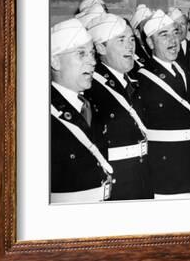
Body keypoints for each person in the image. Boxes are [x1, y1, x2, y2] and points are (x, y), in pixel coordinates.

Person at [136, 10, 190, 199]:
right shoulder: (144, 80)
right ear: (150, 43)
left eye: (175, 32)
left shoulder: (185, 70)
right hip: (168, 176)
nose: (173, 39)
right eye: (164, 34)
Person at [87, 13, 153, 200]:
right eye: (121, 40)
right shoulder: (92, 89)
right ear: (101, 47)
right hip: (118, 186)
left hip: (142, 178)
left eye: (132, 39)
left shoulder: (133, 81)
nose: (130, 46)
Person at [50, 18, 113, 203]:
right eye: (81, 54)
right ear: (55, 61)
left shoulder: (89, 105)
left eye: (92, 54)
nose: (92, 62)